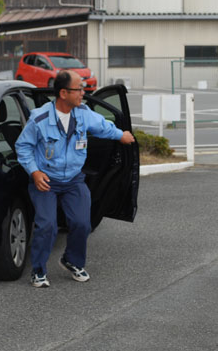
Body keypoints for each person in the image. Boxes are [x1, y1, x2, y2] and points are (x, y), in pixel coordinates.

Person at [16, 70, 135, 288]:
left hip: (73, 180)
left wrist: (121, 135)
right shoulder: (40, 119)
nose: (83, 92)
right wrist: (34, 171)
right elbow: (23, 146)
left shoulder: (82, 113)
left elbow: (103, 126)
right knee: (47, 226)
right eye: (78, 89)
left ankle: (72, 260)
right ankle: (38, 270)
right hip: (46, 181)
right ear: (63, 93)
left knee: (82, 223)